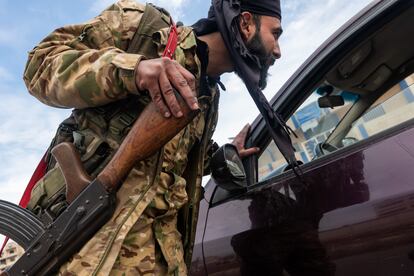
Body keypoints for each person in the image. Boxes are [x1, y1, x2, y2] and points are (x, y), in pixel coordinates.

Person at [23, 0, 282, 274]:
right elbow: (39, 65)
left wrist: (222, 158)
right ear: (245, 23)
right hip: (77, 255)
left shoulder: (209, 96)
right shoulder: (141, 27)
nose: (277, 51)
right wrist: (133, 71)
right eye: (275, 33)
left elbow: (171, 164)